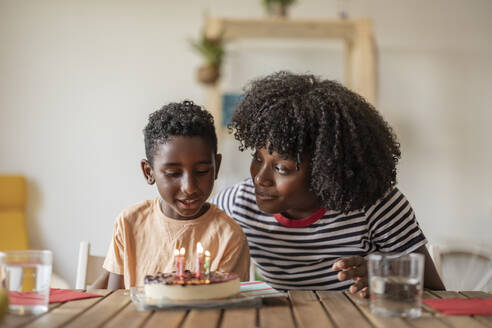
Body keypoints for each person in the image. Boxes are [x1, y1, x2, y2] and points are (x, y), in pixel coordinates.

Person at [212, 71, 444, 296]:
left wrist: (383, 275)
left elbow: (436, 291)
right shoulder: (238, 204)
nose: (260, 178)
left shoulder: (375, 203)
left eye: (282, 168)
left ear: (327, 168)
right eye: (257, 158)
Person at [101, 101, 250, 289]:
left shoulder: (229, 237)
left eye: (202, 171)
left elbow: (222, 307)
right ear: (149, 172)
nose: (189, 187)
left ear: (217, 167)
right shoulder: (129, 222)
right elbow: (114, 299)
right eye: (173, 174)